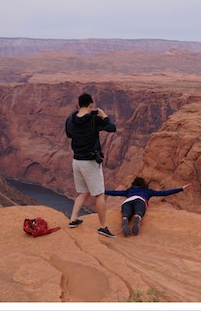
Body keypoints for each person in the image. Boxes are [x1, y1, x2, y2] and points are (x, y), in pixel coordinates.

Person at [65, 93, 116, 238]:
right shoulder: (93, 119)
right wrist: (104, 116)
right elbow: (112, 127)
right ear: (91, 105)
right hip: (90, 162)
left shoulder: (71, 119)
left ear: (79, 105)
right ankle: (103, 227)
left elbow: (69, 134)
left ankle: (73, 218)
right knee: (99, 194)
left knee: (84, 191)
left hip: (76, 161)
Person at [105, 177, 190, 237]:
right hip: (140, 201)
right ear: (143, 184)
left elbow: (114, 192)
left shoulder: (129, 191)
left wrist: (101, 191)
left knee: (126, 213)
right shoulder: (148, 191)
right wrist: (180, 189)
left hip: (127, 202)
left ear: (134, 184)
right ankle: (137, 216)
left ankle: (125, 218)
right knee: (139, 211)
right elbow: (164, 193)